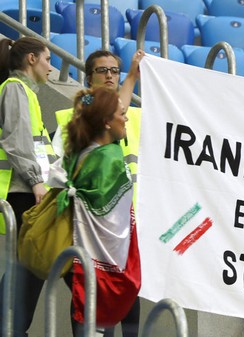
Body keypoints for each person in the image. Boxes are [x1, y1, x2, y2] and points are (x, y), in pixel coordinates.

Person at [57, 87, 140, 337]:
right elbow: (113, 221)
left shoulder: (85, 150)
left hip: (83, 261)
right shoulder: (107, 159)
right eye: (121, 114)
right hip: (101, 265)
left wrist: (133, 75)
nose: (126, 118)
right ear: (106, 122)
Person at [0, 36, 55, 337]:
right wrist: (37, 184)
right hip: (22, 192)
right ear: (31, 59)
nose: (51, 67)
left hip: (30, 191)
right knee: (29, 268)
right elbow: (16, 142)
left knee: (30, 267)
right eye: (48, 59)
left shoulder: (28, 94)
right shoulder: (15, 89)